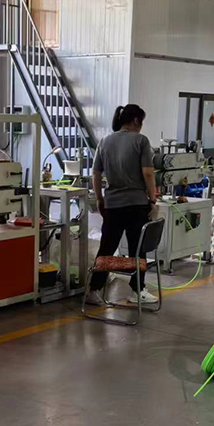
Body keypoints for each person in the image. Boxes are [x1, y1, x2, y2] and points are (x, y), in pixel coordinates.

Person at [86, 104, 159, 305]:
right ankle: (137, 291)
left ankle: (94, 290)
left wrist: (100, 199)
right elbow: (148, 173)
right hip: (136, 204)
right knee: (138, 248)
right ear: (136, 120)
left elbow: (95, 173)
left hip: (112, 205)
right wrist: (152, 199)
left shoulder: (104, 141)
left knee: (107, 247)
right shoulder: (141, 141)